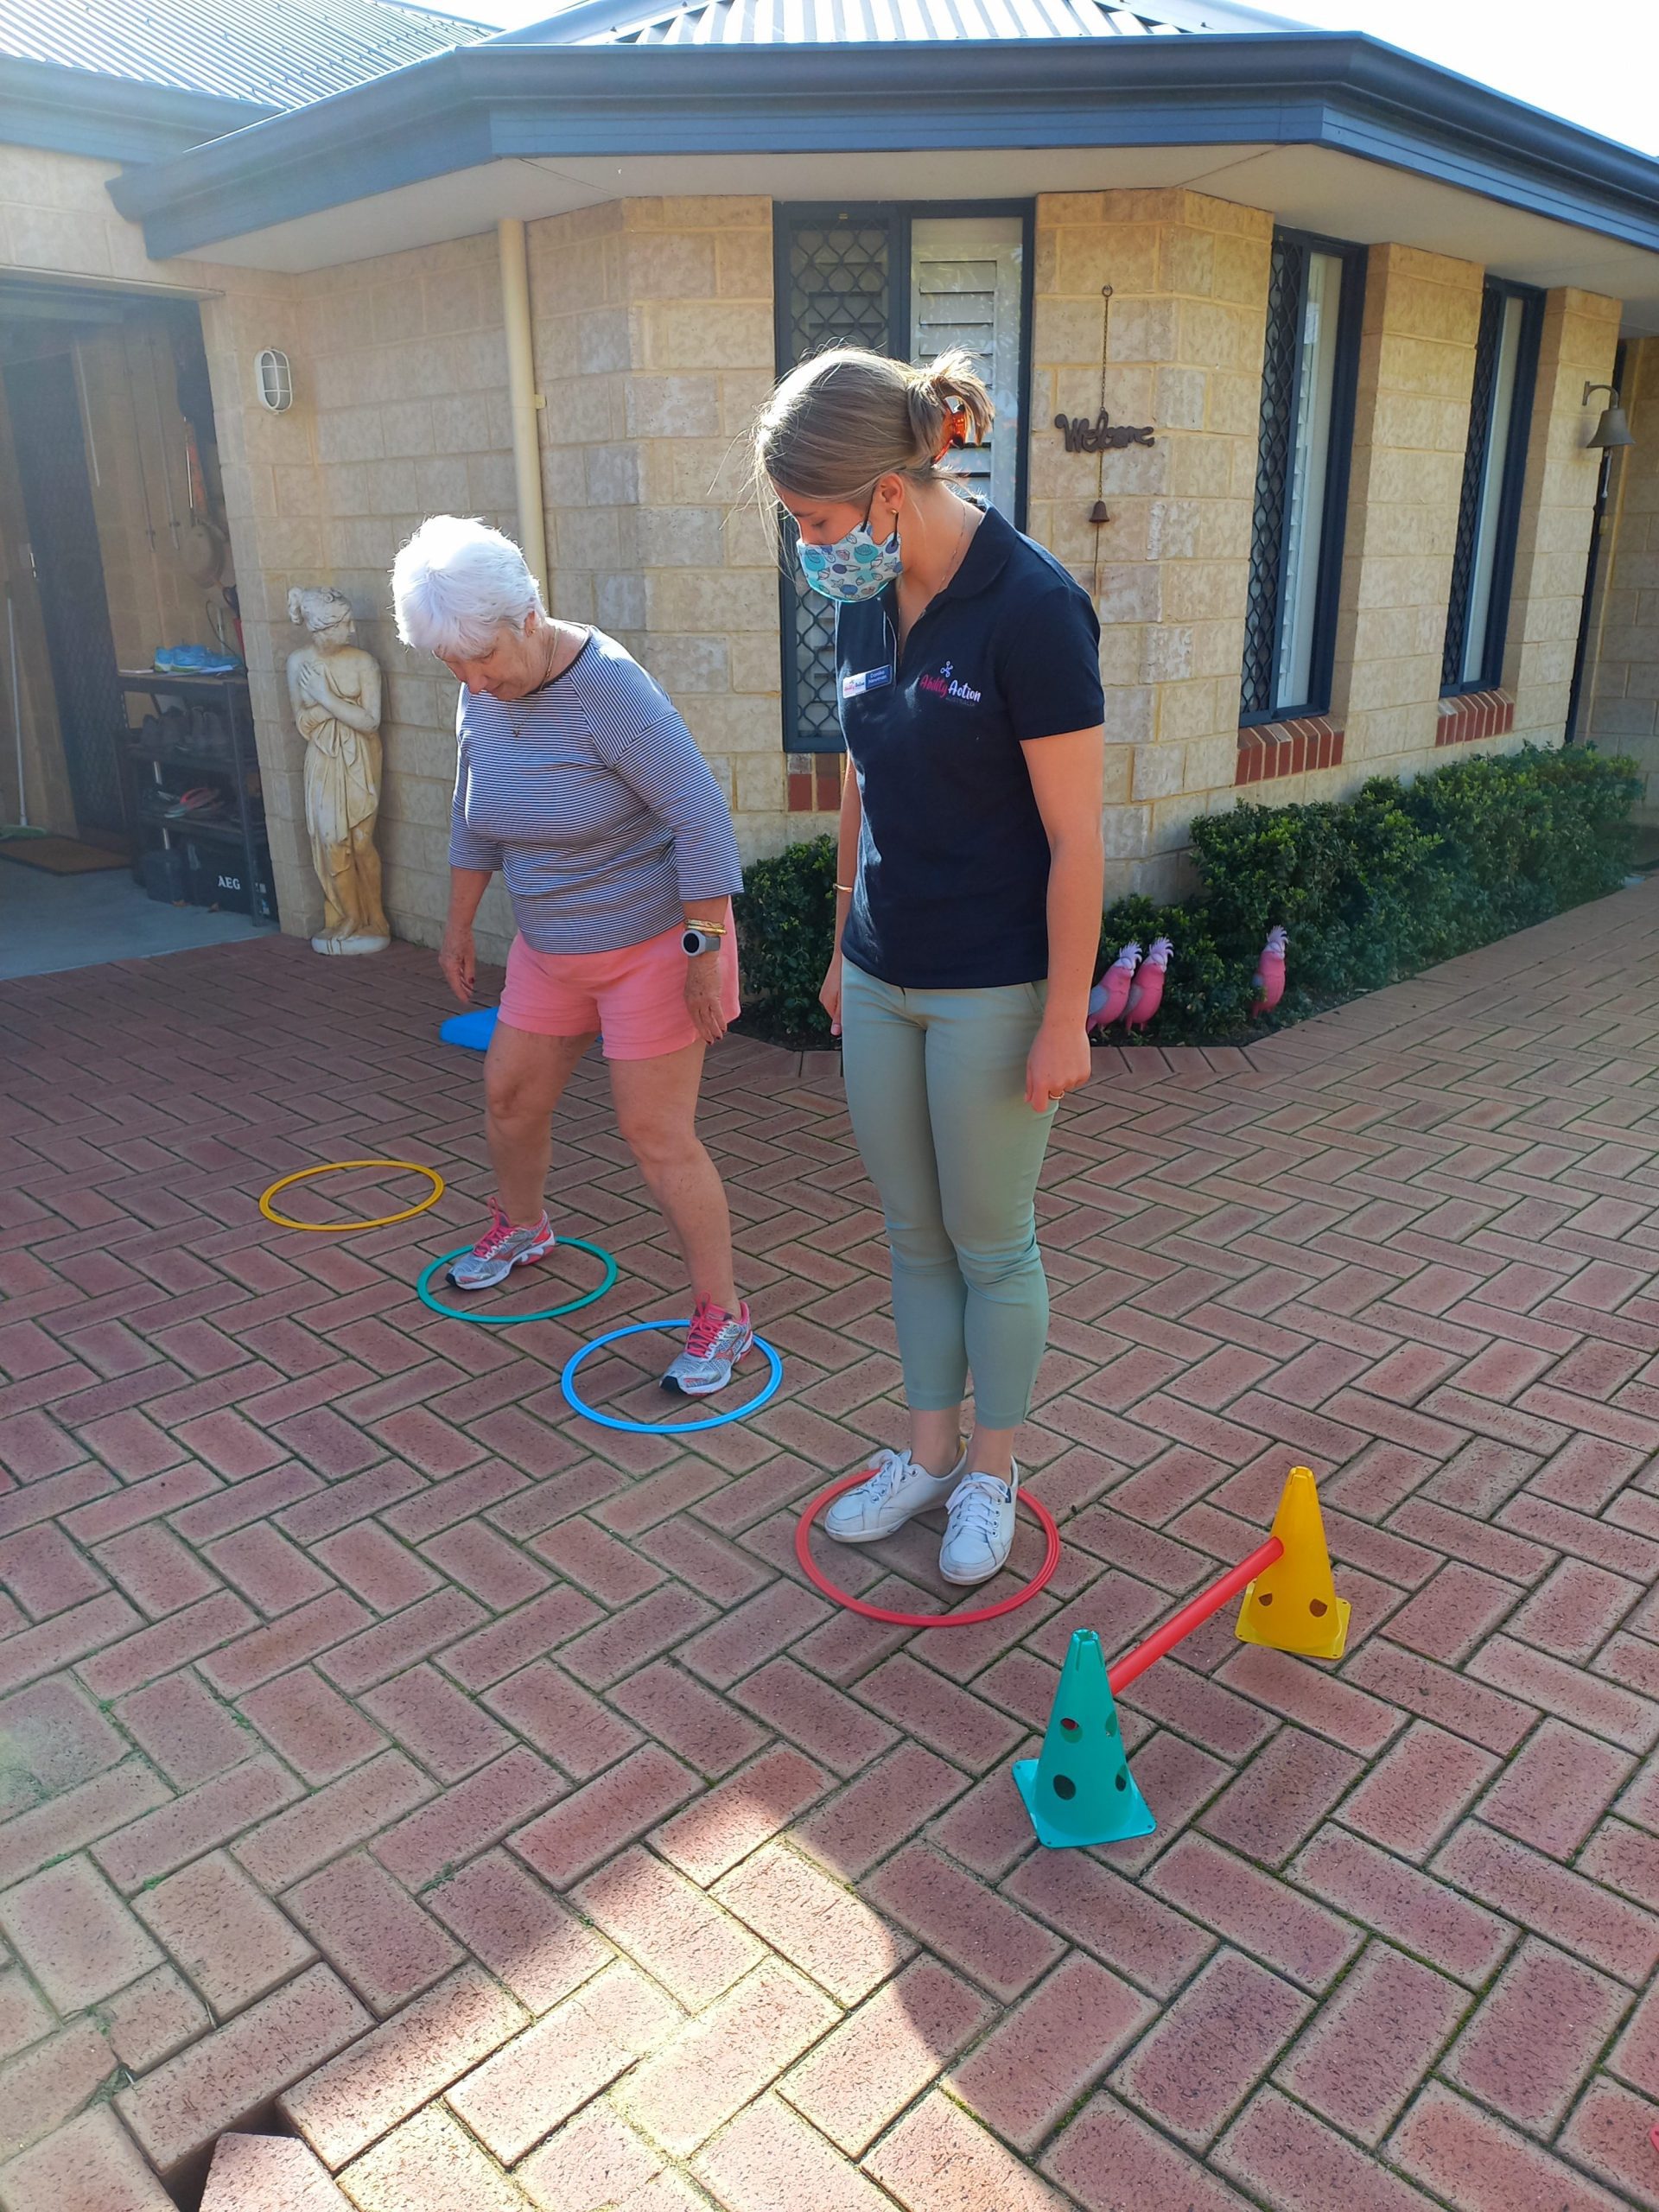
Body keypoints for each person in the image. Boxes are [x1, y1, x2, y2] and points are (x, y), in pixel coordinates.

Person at [751, 349, 1105, 1584]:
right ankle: (926, 1456)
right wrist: (845, 936)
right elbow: (865, 771)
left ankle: (993, 1474)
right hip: (885, 974)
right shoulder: (868, 587)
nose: (809, 546)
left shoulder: (1033, 608)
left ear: (889, 492)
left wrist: (1068, 1013)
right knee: (911, 1234)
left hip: (995, 990)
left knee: (988, 1239)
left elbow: (1075, 837)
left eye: (815, 521)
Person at [391, 515, 753, 1395]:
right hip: (551, 947)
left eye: (482, 659)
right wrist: (456, 924)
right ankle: (524, 1226)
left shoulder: (612, 692)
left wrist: (704, 956)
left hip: (655, 948)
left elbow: (701, 820)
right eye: (454, 666)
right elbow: (474, 812)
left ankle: (725, 1313)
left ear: (527, 615)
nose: (473, 680)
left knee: (655, 1135)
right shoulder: (484, 686)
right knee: (510, 1097)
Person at [285, 586, 391, 957]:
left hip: (360, 759)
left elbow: (370, 721)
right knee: (333, 842)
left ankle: (375, 916)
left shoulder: (364, 663)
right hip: (324, 760)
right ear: (321, 628)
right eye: (342, 624)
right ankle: (348, 915)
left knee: (362, 843)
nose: (350, 630)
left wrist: (326, 698)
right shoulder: (298, 663)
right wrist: (336, 709)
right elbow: (304, 723)